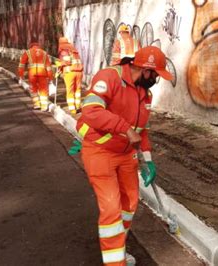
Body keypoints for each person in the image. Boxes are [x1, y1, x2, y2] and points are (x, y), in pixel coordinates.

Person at [76, 46, 173, 266]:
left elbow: (141, 130)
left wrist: (148, 161)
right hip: (100, 152)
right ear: (146, 70)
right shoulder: (110, 77)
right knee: (111, 209)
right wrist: (125, 129)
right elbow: (91, 111)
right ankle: (115, 263)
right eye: (156, 74)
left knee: (129, 204)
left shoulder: (144, 93)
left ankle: (119, 247)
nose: (156, 79)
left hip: (126, 155)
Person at [17, 42, 53, 111]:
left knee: (33, 89)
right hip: (43, 74)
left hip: (32, 74)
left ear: (31, 46)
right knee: (43, 89)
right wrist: (51, 78)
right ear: (38, 46)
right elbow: (49, 67)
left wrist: (21, 75)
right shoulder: (44, 53)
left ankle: (36, 104)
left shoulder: (28, 52)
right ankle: (44, 106)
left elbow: (21, 65)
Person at [57, 37, 84, 114]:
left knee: (70, 90)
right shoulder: (73, 47)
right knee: (77, 90)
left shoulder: (63, 48)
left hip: (70, 72)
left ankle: (72, 108)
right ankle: (78, 106)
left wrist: (59, 64)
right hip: (79, 72)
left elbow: (67, 61)